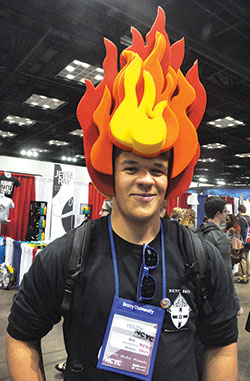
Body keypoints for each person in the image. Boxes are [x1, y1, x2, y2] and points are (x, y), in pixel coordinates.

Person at [6, 7, 238, 381]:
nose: (146, 180)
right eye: (131, 168)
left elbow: (222, 343)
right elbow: (21, 335)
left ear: (171, 178)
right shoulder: (66, 257)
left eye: (157, 170)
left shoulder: (200, 258)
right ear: (110, 174)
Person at [202, 196, 243, 315]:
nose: (227, 214)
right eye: (225, 211)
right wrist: (236, 304)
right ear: (218, 213)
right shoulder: (221, 238)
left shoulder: (197, 233)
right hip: (217, 297)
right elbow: (226, 273)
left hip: (200, 296)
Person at [237, 204, 250, 283]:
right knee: (247, 258)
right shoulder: (249, 218)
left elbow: (239, 231)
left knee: (242, 259)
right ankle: (247, 273)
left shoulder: (240, 219)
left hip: (243, 242)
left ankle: (243, 277)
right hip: (249, 241)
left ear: (240, 211)